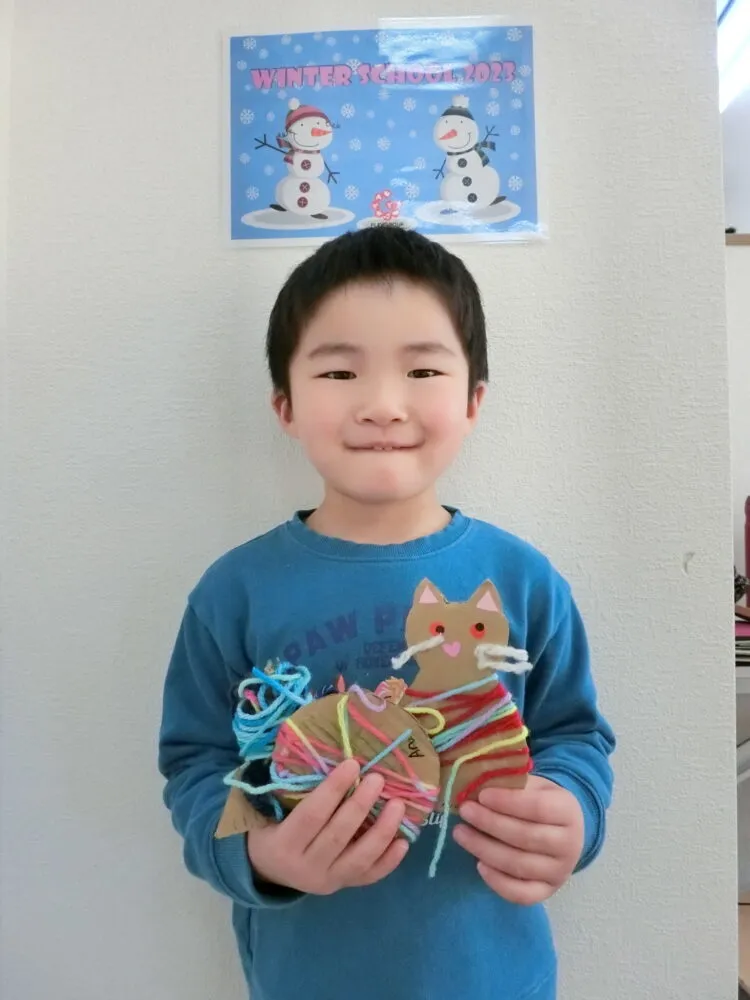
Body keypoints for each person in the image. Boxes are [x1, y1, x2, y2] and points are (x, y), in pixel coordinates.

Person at [158, 225, 615, 1000]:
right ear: (284, 405)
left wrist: (574, 812)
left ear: (473, 401)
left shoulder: (523, 581)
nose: (381, 406)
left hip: (495, 978)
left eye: (423, 369)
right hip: (306, 979)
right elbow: (197, 764)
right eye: (339, 371)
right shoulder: (234, 592)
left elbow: (574, 736)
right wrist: (261, 855)